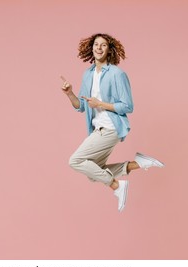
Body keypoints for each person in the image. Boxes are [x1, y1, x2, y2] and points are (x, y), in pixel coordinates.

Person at [61, 33, 164, 212]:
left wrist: (100, 104)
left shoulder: (117, 74)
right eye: (96, 44)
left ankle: (116, 186)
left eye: (103, 45)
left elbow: (128, 106)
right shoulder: (88, 74)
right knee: (94, 174)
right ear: (91, 48)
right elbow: (82, 106)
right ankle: (138, 163)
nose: (98, 48)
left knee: (75, 161)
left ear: (109, 50)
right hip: (97, 129)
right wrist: (70, 93)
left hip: (111, 127)